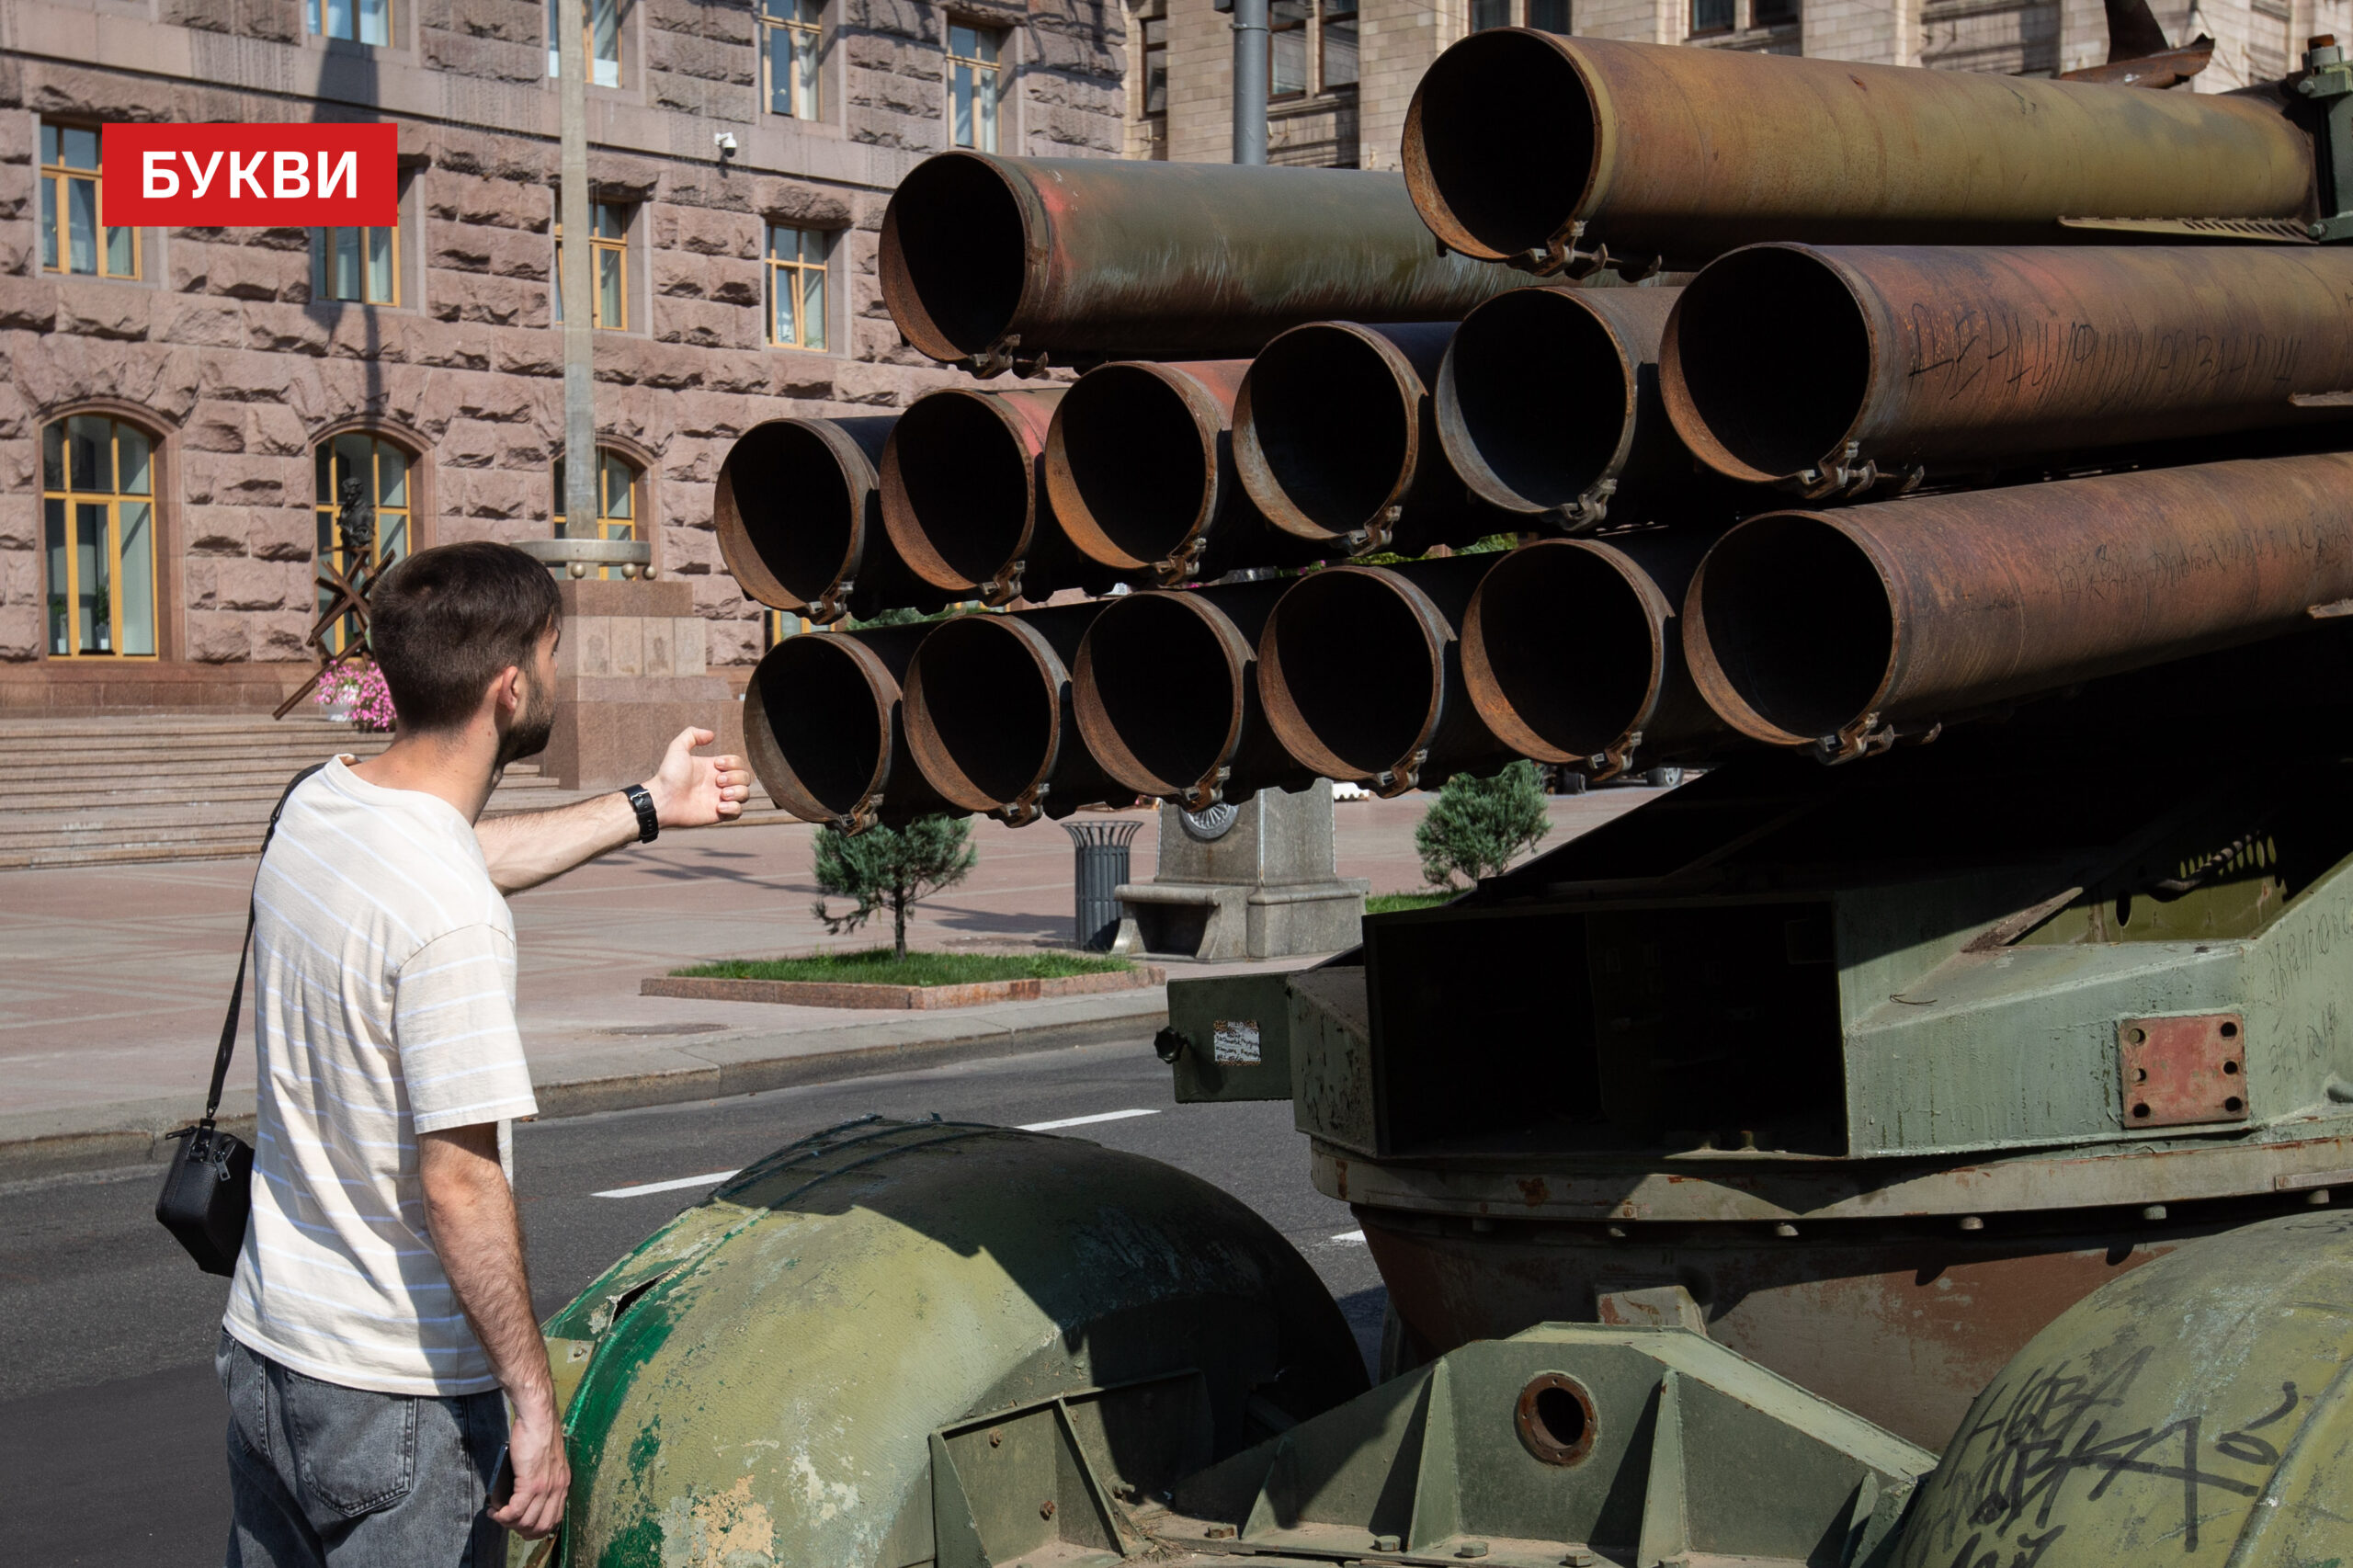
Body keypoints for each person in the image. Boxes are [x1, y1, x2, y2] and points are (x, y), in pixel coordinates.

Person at [215, 540, 752, 1565]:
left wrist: (647, 803)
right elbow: (459, 1184)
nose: (554, 673)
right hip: (395, 1399)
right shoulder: (452, 918)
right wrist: (533, 1402)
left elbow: (455, 852)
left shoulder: (316, 804)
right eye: (551, 654)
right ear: (510, 688)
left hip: (267, 1352)